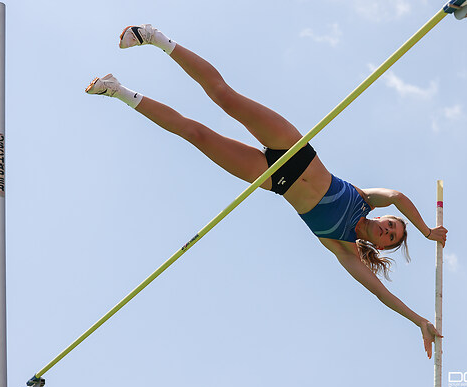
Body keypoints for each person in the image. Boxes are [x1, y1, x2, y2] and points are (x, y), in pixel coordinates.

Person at [86, 24, 447, 358]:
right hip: (293, 148)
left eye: (390, 237)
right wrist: (426, 232)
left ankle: (117, 91)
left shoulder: (344, 249)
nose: (388, 230)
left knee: (195, 134)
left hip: (275, 181)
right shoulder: (367, 200)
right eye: (393, 225)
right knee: (223, 96)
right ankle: (154, 37)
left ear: (380, 246)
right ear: (384, 217)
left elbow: (380, 292)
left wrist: (418, 321)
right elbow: (399, 196)